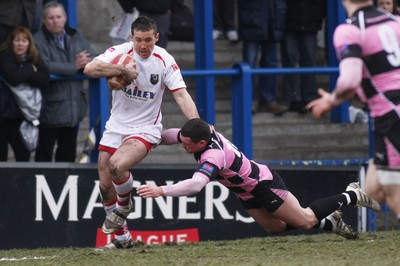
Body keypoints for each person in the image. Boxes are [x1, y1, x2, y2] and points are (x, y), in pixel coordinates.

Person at [137, 118, 381, 239]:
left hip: (262, 184)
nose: (183, 146)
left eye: (188, 145)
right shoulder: (202, 132)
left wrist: (162, 191)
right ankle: (331, 223)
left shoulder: (213, 156)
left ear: (201, 143)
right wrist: (150, 140)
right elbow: (173, 135)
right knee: (273, 227)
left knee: (306, 220)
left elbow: (197, 185)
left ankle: (352, 194)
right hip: (245, 190)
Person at [83, 16, 199, 249]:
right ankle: (122, 238)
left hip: (146, 128)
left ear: (157, 37)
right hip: (116, 126)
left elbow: (181, 94)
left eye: (148, 40)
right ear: (131, 38)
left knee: (117, 165)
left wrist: (197, 124)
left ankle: (124, 205)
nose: (143, 45)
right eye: (138, 40)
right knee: (105, 184)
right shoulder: (120, 52)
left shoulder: (164, 59)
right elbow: (89, 68)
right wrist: (122, 70)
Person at [307, 0, 400, 223]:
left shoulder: (350, 30)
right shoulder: (395, 21)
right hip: (388, 116)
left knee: (396, 194)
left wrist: (332, 99)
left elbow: (349, 79)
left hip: (391, 114)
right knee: (374, 188)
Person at [33, 1, 96, 162]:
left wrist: (84, 65)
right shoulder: (37, 40)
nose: (55, 21)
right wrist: (74, 66)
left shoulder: (77, 35)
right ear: (44, 20)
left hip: (74, 110)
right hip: (50, 110)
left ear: (65, 18)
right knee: (43, 157)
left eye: (59, 17)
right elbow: (44, 64)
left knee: (67, 158)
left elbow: (94, 57)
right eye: (51, 17)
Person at [0, 26, 49, 161]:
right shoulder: (5, 56)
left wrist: (23, 71)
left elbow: (44, 79)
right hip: (4, 115)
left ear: (29, 43)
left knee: (23, 155)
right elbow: (13, 78)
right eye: (17, 40)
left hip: (24, 116)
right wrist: (30, 69)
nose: (20, 44)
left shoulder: (35, 56)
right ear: (11, 42)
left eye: (24, 40)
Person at [237, 0, 288, 115]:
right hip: (253, 18)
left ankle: (268, 100)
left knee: (271, 63)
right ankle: (248, 102)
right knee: (249, 65)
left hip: (273, 19)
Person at [281, 0, 326, 114]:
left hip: (309, 21)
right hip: (290, 21)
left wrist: (318, 14)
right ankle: (294, 97)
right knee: (291, 63)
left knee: (308, 62)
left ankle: (308, 97)